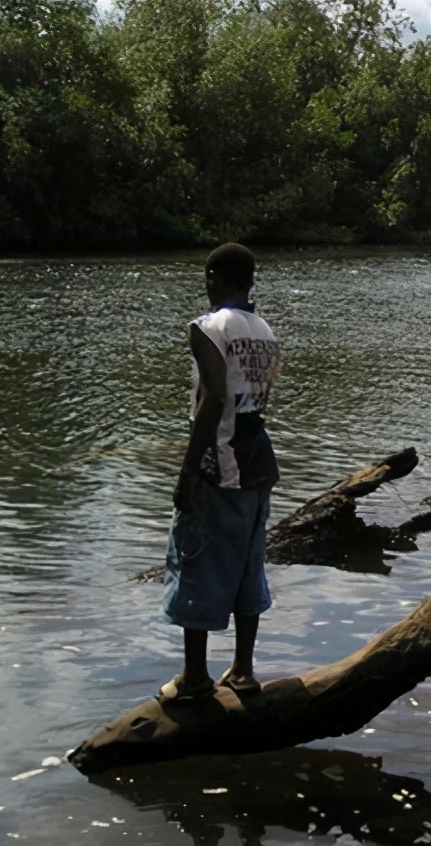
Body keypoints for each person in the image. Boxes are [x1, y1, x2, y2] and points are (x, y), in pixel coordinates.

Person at [160, 243, 282, 703]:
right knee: (248, 561)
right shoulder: (263, 329)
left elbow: (213, 401)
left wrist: (188, 473)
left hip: (220, 462)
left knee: (197, 558)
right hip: (257, 460)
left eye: (206, 277)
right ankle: (243, 670)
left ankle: (195, 676)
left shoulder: (209, 327)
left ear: (214, 276)